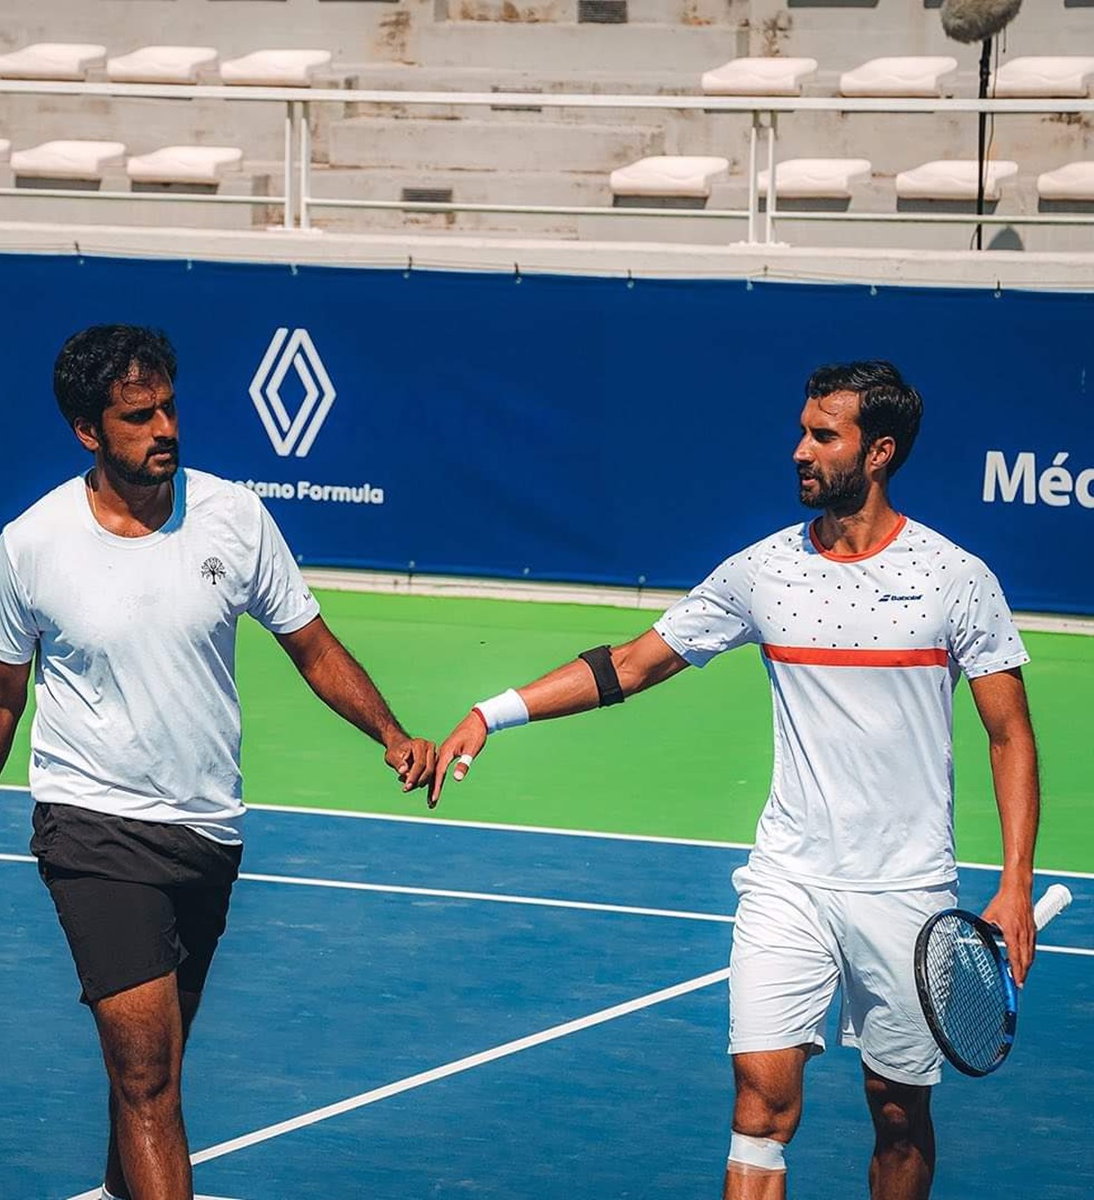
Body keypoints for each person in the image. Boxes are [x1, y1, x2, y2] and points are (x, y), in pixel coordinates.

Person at [429, 360, 1039, 1200]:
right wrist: (491, 711)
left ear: (881, 452)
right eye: (802, 430)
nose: (800, 450)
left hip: (906, 891)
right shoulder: (764, 571)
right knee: (760, 1105)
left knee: (898, 1112)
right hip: (788, 880)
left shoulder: (955, 580)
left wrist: (1013, 884)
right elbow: (634, 664)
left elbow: (1010, 736)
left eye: (824, 436)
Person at [0, 324, 437, 1200]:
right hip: (90, 828)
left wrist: (390, 735)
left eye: (169, 407)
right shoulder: (34, 543)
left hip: (205, 831)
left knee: (151, 1075)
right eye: (139, 415)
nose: (165, 427)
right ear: (88, 431)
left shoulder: (234, 517)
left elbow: (313, 648)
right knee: (147, 1082)